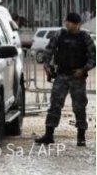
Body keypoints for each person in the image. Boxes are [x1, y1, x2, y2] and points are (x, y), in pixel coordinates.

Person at [35, 12, 96, 146]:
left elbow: (93, 58)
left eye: (70, 22)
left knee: (79, 107)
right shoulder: (60, 34)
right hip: (62, 75)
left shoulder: (85, 37)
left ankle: (81, 137)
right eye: (66, 21)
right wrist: (46, 65)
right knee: (55, 104)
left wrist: (83, 70)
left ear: (77, 24)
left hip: (77, 77)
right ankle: (49, 134)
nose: (67, 24)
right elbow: (49, 50)